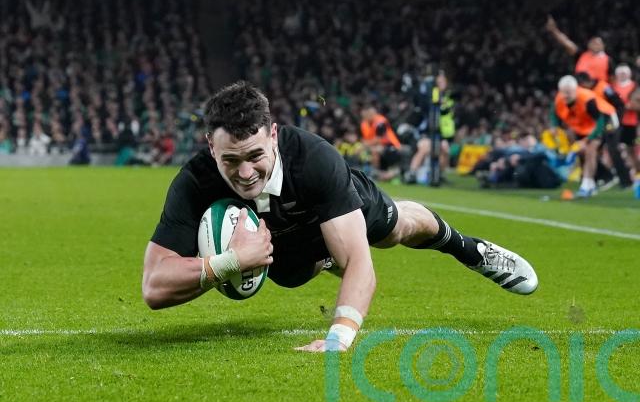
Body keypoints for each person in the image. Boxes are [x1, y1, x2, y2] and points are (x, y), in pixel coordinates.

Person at [142, 82, 538, 353]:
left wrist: (339, 338)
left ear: (273, 135)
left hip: (328, 214)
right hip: (278, 255)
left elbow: (361, 263)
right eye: (230, 159)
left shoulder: (314, 160)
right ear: (211, 146)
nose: (245, 173)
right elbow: (154, 287)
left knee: (394, 231)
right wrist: (230, 261)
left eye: (255, 156)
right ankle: (323, 258)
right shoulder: (195, 182)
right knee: (293, 273)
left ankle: (471, 250)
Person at [551, 75, 617, 197]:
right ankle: (593, 182)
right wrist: (554, 126)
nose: (565, 96)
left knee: (590, 150)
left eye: (568, 92)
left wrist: (588, 139)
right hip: (583, 126)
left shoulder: (587, 99)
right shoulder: (560, 98)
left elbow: (600, 121)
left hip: (604, 121)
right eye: (563, 92)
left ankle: (586, 185)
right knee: (582, 152)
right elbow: (554, 112)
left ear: (575, 90)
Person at [546, 15, 611, 82]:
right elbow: (567, 43)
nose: (595, 45)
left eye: (597, 43)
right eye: (593, 42)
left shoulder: (608, 60)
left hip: (600, 87)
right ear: (588, 44)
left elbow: (612, 78)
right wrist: (554, 30)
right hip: (580, 86)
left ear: (603, 46)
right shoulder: (582, 55)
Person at [360, 106, 402, 181]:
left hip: (391, 145)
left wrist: (365, 145)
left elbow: (378, 139)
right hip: (376, 145)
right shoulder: (364, 124)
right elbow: (365, 138)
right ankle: (368, 171)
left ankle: (374, 173)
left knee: (375, 150)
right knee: (365, 151)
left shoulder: (380, 122)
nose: (364, 117)